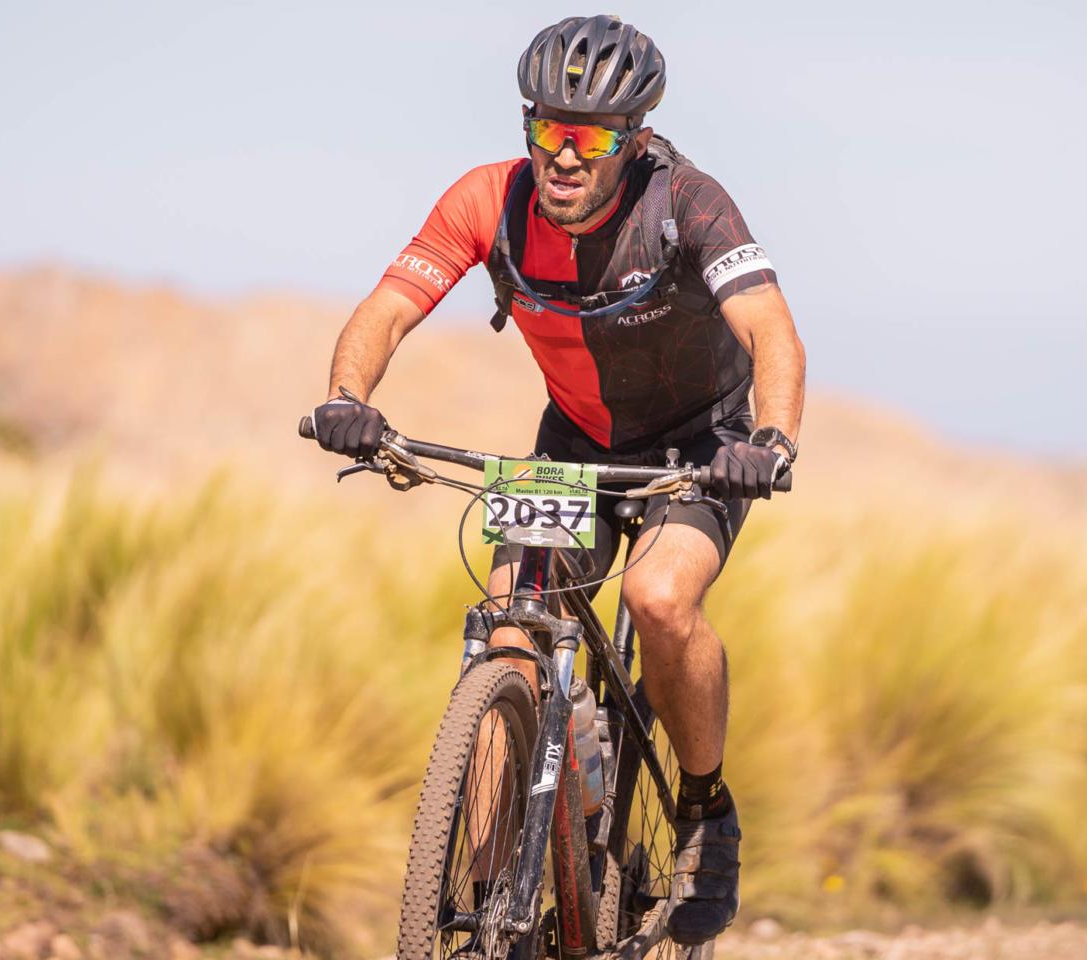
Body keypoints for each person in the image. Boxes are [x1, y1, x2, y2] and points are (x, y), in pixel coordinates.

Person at [312, 14, 805, 945]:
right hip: (573, 445)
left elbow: (770, 329)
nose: (565, 157)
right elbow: (388, 307)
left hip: (701, 445)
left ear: (636, 141)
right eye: (548, 130)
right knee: (509, 632)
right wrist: (346, 398)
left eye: (592, 139)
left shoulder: (688, 203)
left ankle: (704, 809)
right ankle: (488, 908)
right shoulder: (487, 201)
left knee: (659, 599)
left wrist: (772, 439)